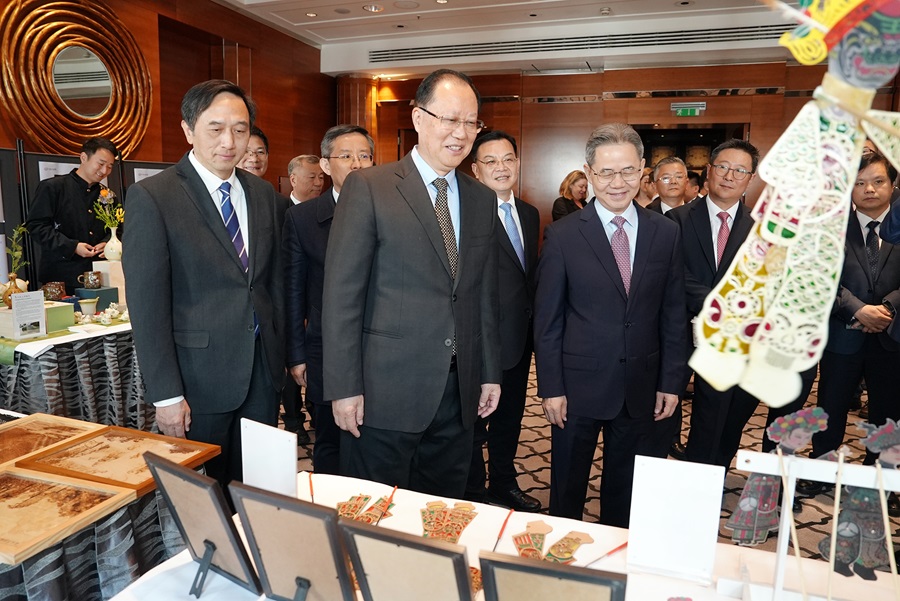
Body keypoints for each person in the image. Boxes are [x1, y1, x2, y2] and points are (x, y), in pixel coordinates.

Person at [321, 69, 502, 498]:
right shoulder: (370, 187)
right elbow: (342, 297)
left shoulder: (481, 198)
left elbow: (482, 295)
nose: (461, 133)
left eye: (471, 122)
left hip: (458, 392)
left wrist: (488, 372)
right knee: (374, 514)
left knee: (442, 514)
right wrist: (344, 387)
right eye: (450, 119)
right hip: (383, 393)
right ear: (419, 118)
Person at [122, 79, 285, 488]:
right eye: (216, 129)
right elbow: (147, 307)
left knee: (262, 488)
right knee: (206, 496)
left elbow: (270, 284)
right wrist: (166, 395)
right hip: (198, 382)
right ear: (188, 129)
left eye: (240, 129)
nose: (229, 142)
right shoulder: (153, 196)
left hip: (262, 375)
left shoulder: (262, 193)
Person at [534, 123, 687, 527]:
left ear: (642, 169)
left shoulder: (666, 232)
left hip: (641, 384)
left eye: (627, 171)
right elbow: (548, 320)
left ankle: (617, 554)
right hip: (576, 388)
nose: (617, 183)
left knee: (627, 491)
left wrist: (671, 382)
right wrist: (551, 387)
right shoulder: (563, 235)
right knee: (567, 488)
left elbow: (673, 314)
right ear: (588, 172)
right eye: (605, 173)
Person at [668, 140, 816, 470]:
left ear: (750, 179)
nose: (729, 176)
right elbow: (673, 273)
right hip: (682, 333)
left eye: (740, 170)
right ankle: (692, 478)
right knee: (675, 414)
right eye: (723, 167)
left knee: (728, 416)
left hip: (738, 340)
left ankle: (716, 470)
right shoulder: (676, 220)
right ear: (709, 171)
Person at [798, 152, 900, 500]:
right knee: (831, 404)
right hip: (843, 333)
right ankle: (821, 469)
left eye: (878, 181)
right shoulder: (829, 228)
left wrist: (888, 307)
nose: (869, 189)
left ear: (892, 185)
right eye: (859, 183)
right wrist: (858, 310)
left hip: (892, 334)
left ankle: (882, 475)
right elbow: (820, 278)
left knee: (889, 409)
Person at [283, 124, 375, 474]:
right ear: (325, 164)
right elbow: (293, 291)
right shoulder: (303, 218)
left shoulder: (391, 209)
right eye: (346, 156)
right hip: (327, 349)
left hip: (381, 348)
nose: (357, 164)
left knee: (377, 443)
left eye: (364, 156)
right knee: (331, 441)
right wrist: (296, 354)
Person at [466, 130, 541, 512]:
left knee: (509, 418)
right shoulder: (464, 214)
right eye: (491, 161)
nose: (501, 167)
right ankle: (473, 491)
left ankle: (503, 483)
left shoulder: (529, 213)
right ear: (476, 169)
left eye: (508, 159)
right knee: (473, 422)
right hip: (478, 339)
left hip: (519, 338)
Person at [26, 137, 118, 294]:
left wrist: (107, 243)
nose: (104, 171)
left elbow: (118, 227)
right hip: (61, 277)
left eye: (109, 167)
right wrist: (72, 247)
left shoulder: (108, 195)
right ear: (83, 158)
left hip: (101, 276)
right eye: (101, 164)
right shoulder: (53, 187)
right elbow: (36, 226)